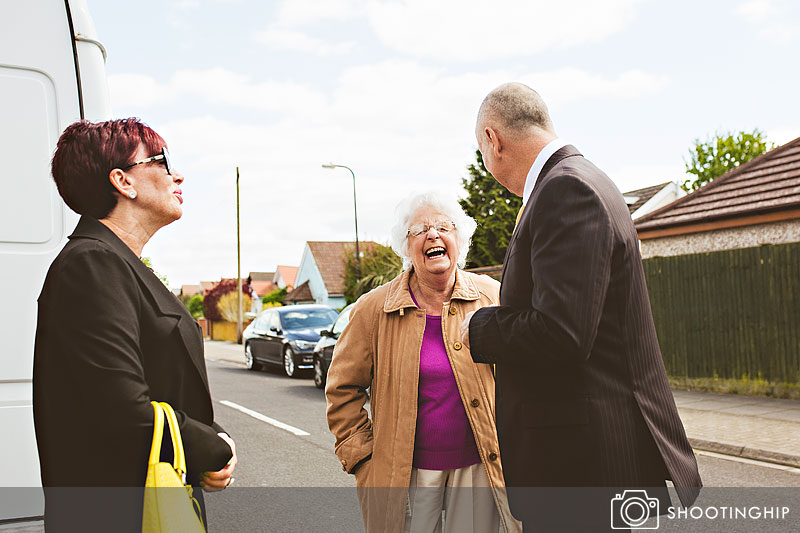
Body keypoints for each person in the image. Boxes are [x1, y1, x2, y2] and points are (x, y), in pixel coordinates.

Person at [461, 83, 702, 531]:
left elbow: (562, 333)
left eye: (481, 149)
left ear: (493, 140)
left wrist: (478, 328)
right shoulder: (584, 179)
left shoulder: (565, 189)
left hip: (582, 471)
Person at [33, 118, 237, 532]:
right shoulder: (92, 264)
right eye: (161, 161)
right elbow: (119, 407)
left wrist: (212, 437)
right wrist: (212, 447)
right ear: (123, 182)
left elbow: (158, 383)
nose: (176, 174)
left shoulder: (118, 264)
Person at [326, 192, 521, 533]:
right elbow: (342, 388)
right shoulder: (373, 309)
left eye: (444, 226)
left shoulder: (491, 296)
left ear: (458, 239)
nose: (433, 234)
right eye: (420, 229)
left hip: (478, 468)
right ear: (406, 245)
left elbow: (522, 376)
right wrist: (364, 459)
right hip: (406, 473)